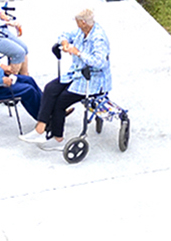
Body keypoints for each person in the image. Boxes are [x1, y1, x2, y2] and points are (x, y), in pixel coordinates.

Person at [21, 8, 111, 148]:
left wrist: (78, 53)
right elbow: (65, 34)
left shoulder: (98, 38)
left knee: (60, 101)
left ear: (82, 22)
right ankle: (41, 127)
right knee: (50, 88)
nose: (76, 25)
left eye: (77, 22)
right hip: (77, 74)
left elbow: (100, 62)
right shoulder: (82, 31)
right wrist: (64, 43)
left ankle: (57, 138)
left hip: (92, 80)